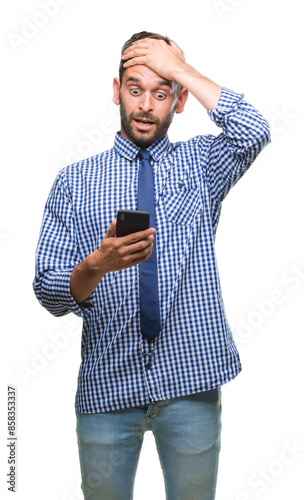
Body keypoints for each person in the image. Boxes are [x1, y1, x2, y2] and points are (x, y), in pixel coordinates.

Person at [33, 31, 271, 500]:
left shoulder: (203, 163)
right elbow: (48, 290)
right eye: (135, 88)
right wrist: (95, 265)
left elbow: (254, 129)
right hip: (107, 387)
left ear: (178, 102)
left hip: (190, 383)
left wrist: (180, 68)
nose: (146, 104)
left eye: (161, 93)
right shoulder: (75, 182)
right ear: (116, 90)